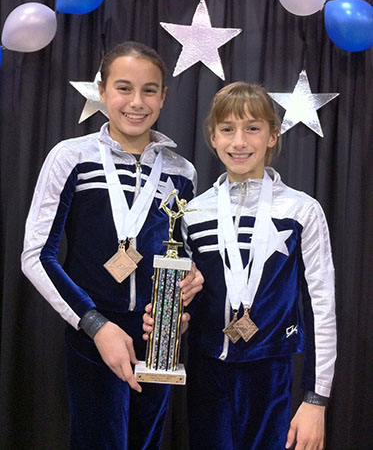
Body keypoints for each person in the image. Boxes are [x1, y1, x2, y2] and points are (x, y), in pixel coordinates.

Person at [21, 41, 203, 450]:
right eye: (124, 88)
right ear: (102, 92)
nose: (136, 102)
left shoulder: (182, 171)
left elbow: (181, 249)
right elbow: (36, 255)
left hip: (158, 337)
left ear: (163, 96)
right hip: (93, 333)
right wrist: (95, 324)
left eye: (149, 90)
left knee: (147, 443)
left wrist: (186, 290)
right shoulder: (72, 157)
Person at [143, 82, 336, 450]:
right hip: (206, 370)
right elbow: (187, 294)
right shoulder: (193, 211)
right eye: (227, 129)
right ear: (212, 137)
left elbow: (321, 306)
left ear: (273, 135)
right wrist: (170, 318)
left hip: (274, 371)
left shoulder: (301, 209)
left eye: (253, 128)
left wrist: (316, 399)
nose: (239, 142)